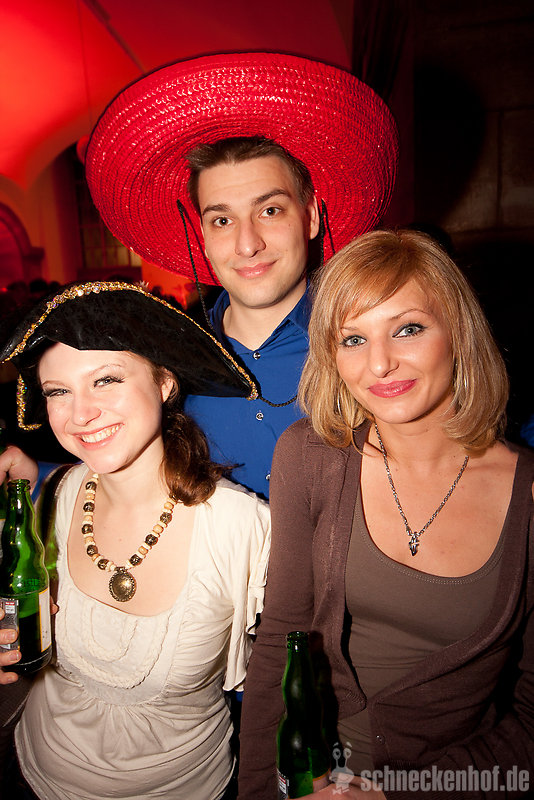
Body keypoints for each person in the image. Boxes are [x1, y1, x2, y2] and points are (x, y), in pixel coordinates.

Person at [237, 229, 534, 799]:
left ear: (459, 333)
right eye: (353, 339)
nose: (379, 363)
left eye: (408, 329)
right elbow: (279, 642)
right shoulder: (311, 456)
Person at [82, 51, 399, 499]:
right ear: (202, 237)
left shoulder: (374, 346)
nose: (247, 244)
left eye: (270, 211)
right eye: (222, 220)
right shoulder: (169, 364)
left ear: (310, 217)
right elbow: (120, 477)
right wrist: (36, 476)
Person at [0, 281, 271, 800]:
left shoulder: (243, 528)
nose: (80, 414)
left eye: (105, 380)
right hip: (34, 771)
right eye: (58, 391)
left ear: (164, 381)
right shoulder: (53, 495)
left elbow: (290, 677)